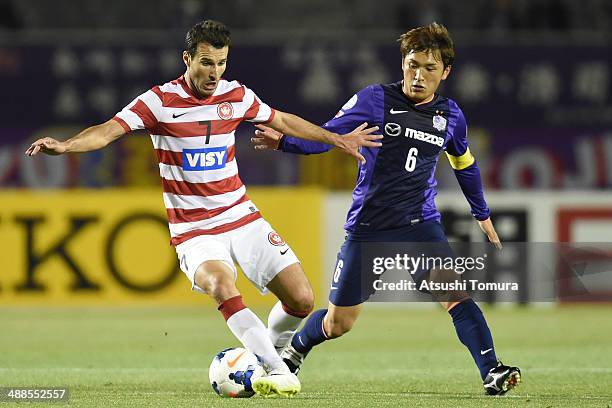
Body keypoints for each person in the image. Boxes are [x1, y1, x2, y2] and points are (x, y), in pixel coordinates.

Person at [25, 19, 382, 398]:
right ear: (187, 59)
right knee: (220, 284)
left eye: (222, 63)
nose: (215, 73)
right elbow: (108, 130)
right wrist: (66, 146)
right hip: (194, 229)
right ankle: (276, 370)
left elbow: (283, 119)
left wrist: (335, 138)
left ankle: (263, 354)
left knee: (302, 299)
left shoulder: (237, 96)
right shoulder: (159, 102)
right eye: (207, 63)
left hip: (240, 215)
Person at [251, 22, 521, 396]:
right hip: (369, 228)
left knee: (456, 296)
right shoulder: (376, 100)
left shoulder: (451, 116)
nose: (419, 75)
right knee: (339, 322)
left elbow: (465, 164)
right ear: (402, 64)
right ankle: (297, 347)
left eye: (429, 68)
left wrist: (481, 213)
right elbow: (331, 137)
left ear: (445, 73)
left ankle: (492, 370)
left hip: (419, 226)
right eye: (412, 65)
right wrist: (283, 143)